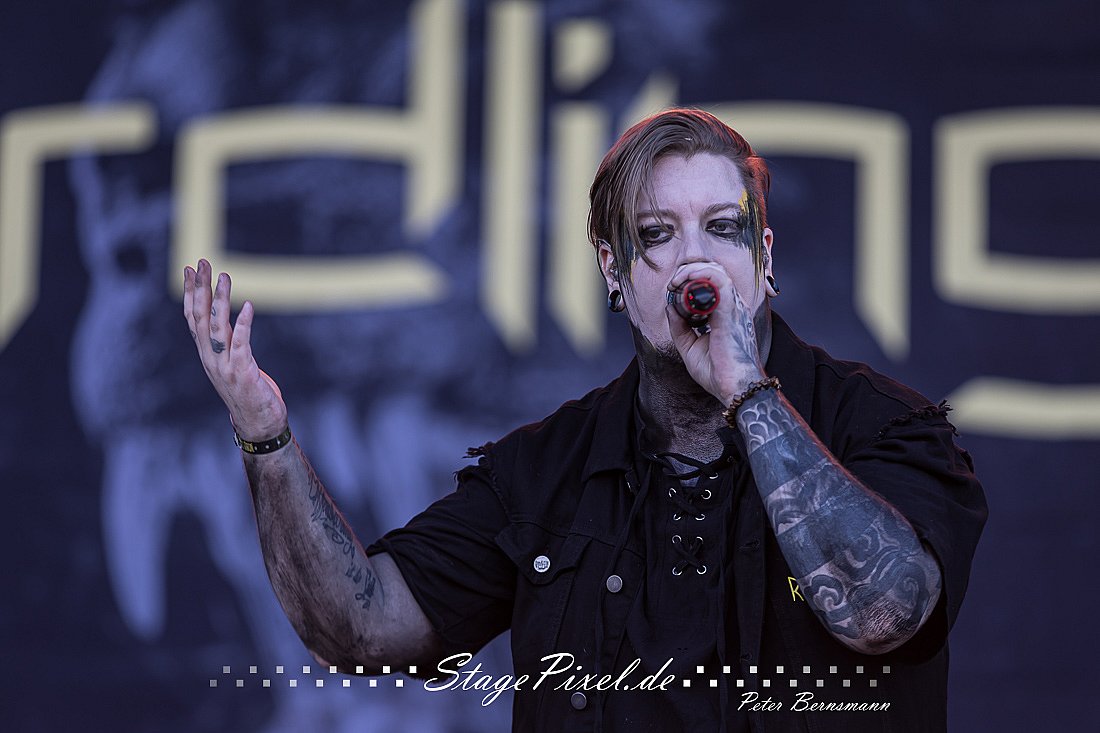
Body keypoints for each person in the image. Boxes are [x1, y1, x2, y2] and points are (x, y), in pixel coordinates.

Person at [183, 108, 987, 732]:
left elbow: (887, 614)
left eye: (722, 228)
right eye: (658, 234)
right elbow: (362, 627)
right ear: (615, 271)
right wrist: (265, 435)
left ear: (763, 258)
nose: (696, 259)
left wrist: (746, 388)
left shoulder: (886, 428)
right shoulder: (543, 472)